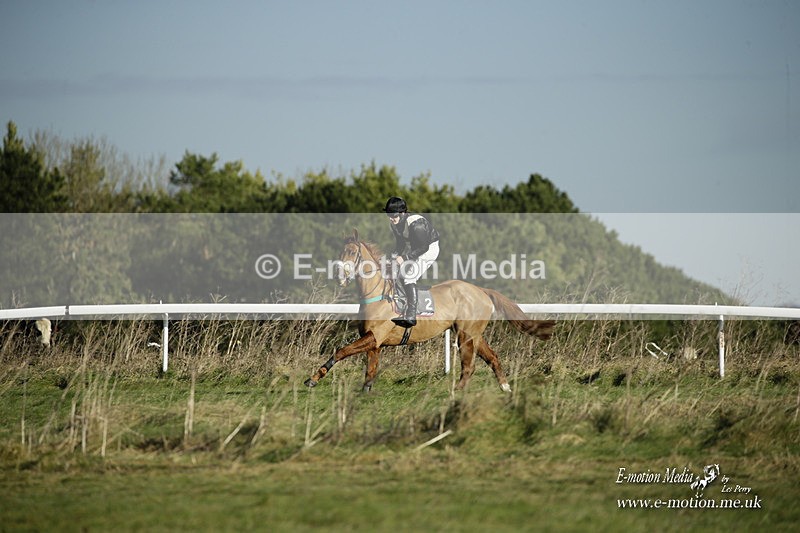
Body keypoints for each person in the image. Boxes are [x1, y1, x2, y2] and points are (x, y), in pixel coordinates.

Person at [382, 196, 440, 327]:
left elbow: (424, 247)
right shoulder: (395, 223)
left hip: (429, 249)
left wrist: (405, 258)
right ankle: (402, 306)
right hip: (417, 249)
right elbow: (401, 243)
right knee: (398, 274)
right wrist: (393, 256)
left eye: (394, 216)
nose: (391, 219)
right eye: (389, 215)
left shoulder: (416, 224)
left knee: (409, 277)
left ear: (403, 213)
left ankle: (411, 316)